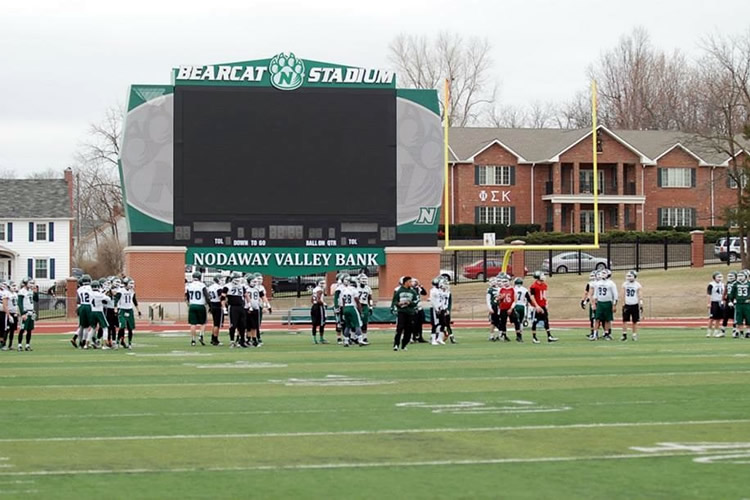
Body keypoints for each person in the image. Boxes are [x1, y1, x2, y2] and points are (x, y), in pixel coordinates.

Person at [529, 271, 559, 343]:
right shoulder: (533, 286)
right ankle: (534, 337)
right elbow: (532, 297)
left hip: (543, 305)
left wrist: (546, 303)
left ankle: (549, 336)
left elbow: (545, 296)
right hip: (537, 306)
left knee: (546, 321)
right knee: (535, 321)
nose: (543, 276)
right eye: (542, 275)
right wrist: (536, 306)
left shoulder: (544, 285)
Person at [391, 276, 418, 351]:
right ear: (405, 282)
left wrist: (409, 302)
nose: (411, 283)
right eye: (409, 282)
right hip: (402, 312)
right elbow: (394, 301)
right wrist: (398, 304)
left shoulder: (413, 291)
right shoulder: (399, 291)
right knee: (400, 328)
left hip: (410, 312)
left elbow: (416, 301)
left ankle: (404, 344)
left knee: (408, 329)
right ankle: (396, 344)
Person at [339, 275, 367, 346]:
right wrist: (361, 312)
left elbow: (342, 302)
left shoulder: (344, 290)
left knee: (348, 325)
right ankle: (360, 340)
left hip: (345, 308)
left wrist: (343, 311)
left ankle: (346, 341)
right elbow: (357, 301)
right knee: (357, 324)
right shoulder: (354, 290)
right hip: (352, 307)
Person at [591, 269, 618, 341]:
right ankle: (595, 334)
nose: (602, 274)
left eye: (604, 273)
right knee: (597, 319)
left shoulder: (611, 283)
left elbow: (615, 295)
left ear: (608, 274)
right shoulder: (598, 283)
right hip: (600, 302)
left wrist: (614, 305)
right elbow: (595, 294)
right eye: (602, 273)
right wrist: (594, 303)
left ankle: (606, 334)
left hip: (608, 303)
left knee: (607, 319)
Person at [115, 277, 141, 349]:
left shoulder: (132, 291)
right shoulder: (121, 291)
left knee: (130, 328)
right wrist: (116, 309)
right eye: (131, 283)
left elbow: (134, 301)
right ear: (126, 283)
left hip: (130, 310)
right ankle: (117, 342)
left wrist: (138, 310)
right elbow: (116, 300)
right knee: (122, 326)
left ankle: (129, 343)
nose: (132, 285)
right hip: (122, 310)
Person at [225, 272, 249, 348]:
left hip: (241, 307)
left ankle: (242, 341)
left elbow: (246, 295)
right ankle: (232, 341)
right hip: (232, 307)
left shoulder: (242, 286)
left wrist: (249, 304)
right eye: (236, 279)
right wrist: (224, 307)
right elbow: (223, 298)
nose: (238, 280)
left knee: (242, 325)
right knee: (233, 325)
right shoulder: (227, 286)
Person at [186, 271, 209, 346]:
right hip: (200, 305)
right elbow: (206, 296)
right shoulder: (202, 285)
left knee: (193, 324)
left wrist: (189, 303)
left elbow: (187, 296)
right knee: (203, 323)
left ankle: (193, 340)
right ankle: (201, 335)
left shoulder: (189, 285)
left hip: (192, 305)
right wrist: (209, 305)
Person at [496, 273, 520, 342]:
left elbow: (515, 300)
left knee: (516, 321)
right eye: (503, 281)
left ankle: (518, 336)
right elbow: (497, 299)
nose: (505, 283)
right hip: (503, 308)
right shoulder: (500, 290)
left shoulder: (513, 289)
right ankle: (504, 335)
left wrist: (511, 308)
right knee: (503, 322)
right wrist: (500, 298)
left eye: (506, 281)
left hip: (510, 308)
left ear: (509, 281)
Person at [88, 280, 111, 349]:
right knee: (105, 328)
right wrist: (105, 293)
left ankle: (87, 344)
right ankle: (104, 345)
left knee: (93, 328)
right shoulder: (99, 294)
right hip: (99, 311)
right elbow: (108, 299)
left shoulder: (90, 293)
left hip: (92, 311)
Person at [17, 278, 38, 351]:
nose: (32, 285)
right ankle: (19, 345)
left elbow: (36, 299)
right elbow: (19, 303)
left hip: (31, 312)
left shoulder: (30, 291)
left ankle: (27, 345)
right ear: (26, 283)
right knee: (22, 329)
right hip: (25, 312)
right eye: (30, 283)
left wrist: (35, 292)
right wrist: (22, 313)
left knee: (29, 329)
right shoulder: (22, 291)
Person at [621, 270, 643, 341]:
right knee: (624, 320)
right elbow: (622, 294)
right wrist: (623, 303)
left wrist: (641, 303)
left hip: (634, 304)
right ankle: (624, 334)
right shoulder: (625, 284)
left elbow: (640, 294)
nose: (629, 278)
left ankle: (634, 335)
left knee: (635, 321)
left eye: (630, 276)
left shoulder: (637, 285)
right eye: (628, 276)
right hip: (627, 304)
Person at [72, 274, 94, 348]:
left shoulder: (79, 289)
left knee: (82, 325)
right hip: (89, 306)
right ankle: (84, 342)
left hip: (82, 306)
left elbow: (78, 300)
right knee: (86, 327)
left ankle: (80, 342)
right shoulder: (91, 288)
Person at [728, 269, 750, 339]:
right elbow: (731, 294)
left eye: (742, 276)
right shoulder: (735, 284)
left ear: (746, 276)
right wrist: (730, 301)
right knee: (739, 319)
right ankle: (741, 332)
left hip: (747, 304)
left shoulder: (749, 284)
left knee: (748, 318)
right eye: (739, 276)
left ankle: (748, 332)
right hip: (739, 304)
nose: (740, 277)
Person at [513, 277, 534, 342]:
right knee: (521, 322)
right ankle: (520, 335)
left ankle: (518, 336)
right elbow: (529, 299)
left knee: (517, 322)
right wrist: (533, 305)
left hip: (515, 305)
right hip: (522, 306)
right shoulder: (524, 290)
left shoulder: (513, 289)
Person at [207, 276, 226, 346]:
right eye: (221, 279)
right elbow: (221, 297)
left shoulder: (210, 287)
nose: (222, 281)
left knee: (215, 323)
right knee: (217, 324)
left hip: (212, 305)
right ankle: (215, 340)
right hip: (218, 305)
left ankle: (213, 338)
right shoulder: (218, 287)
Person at [706, 271, 725, 338]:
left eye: (721, 277)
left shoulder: (722, 284)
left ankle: (716, 331)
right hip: (714, 302)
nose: (720, 278)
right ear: (714, 277)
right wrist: (709, 303)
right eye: (718, 277)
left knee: (718, 318)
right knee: (712, 318)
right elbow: (708, 294)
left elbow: (723, 293)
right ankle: (709, 331)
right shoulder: (711, 285)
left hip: (720, 302)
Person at [2, 282, 19, 351]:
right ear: (9, 287)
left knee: (12, 330)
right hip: (9, 313)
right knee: (7, 329)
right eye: (13, 286)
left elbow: (16, 304)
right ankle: (4, 345)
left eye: (15, 285)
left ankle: (10, 344)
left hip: (15, 313)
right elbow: (5, 305)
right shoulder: (6, 294)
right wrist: (9, 315)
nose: (14, 287)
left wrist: (17, 312)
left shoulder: (15, 294)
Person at [310, 278, 328, 344]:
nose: (323, 285)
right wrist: (324, 303)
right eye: (321, 283)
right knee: (322, 323)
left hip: (314, 307)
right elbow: (318, 299)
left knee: (314, 324)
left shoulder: (314, 289)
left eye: (323, 283)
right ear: (318, 283)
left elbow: (312, 299)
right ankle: (321, 339)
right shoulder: (320, 290)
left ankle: (314, 339)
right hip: (319, 307)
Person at [356, 274, 373, 344]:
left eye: (365, 279)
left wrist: (371, 306)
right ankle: (355, 337)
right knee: (356, 322)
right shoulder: (355, 287)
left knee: (364, 322)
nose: (364, 281)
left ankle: (364, 337)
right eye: (362, 279)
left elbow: (370, 298)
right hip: (357, 305)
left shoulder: (368, 288)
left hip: (365, 305)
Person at [581, 270, 598, 339]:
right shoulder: (591, 284)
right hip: (593, 302)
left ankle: (595, 333)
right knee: (593, 318)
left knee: (595, 318)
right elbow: (587, 294)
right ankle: (593, 332)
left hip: (596, 302)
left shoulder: (597, 284)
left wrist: (583, 301)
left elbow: (588, 294)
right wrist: (584, 301)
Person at [411, 278, 428, 343]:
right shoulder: (410, 290)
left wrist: (421, 287)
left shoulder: (418, 288)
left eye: (416, 282)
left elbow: (424, 293)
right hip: (413, 308)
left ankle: (420, 337)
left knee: (420, 323)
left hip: (419, 308)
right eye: (414, 282)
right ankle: (413, 337)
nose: (415, 283)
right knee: (413, 324)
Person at [486, 277, 503, 341]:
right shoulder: (490, 290)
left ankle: (500, 335)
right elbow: (488, 300)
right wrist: (490, 308)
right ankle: (492, 336)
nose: (493, 282)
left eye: (494, 281)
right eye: (492, 281)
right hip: (494, 307)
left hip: (500, 307)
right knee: (493, 322)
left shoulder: (500, 289)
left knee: (500, 321)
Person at [723, 271, 739, 338]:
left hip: (734, 300)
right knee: (725, 316)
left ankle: (734, 331)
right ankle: (723, 331)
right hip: (728, 300)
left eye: (732, 276)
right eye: (729, 276)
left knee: (734, 317)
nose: (730, 277)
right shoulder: (728, 283)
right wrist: (723, 299)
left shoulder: (737, 283)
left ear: (735, 277)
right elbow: (725, 292)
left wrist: (735, 299)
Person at [0, 280, 10, 349]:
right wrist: (9, 315)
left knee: (2, 328)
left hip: (2, 311)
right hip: (2, 312)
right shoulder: (5, 292)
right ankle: (2, 344)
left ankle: (2, 344)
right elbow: (5, 305)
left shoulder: (5, 292)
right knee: (3, 328)